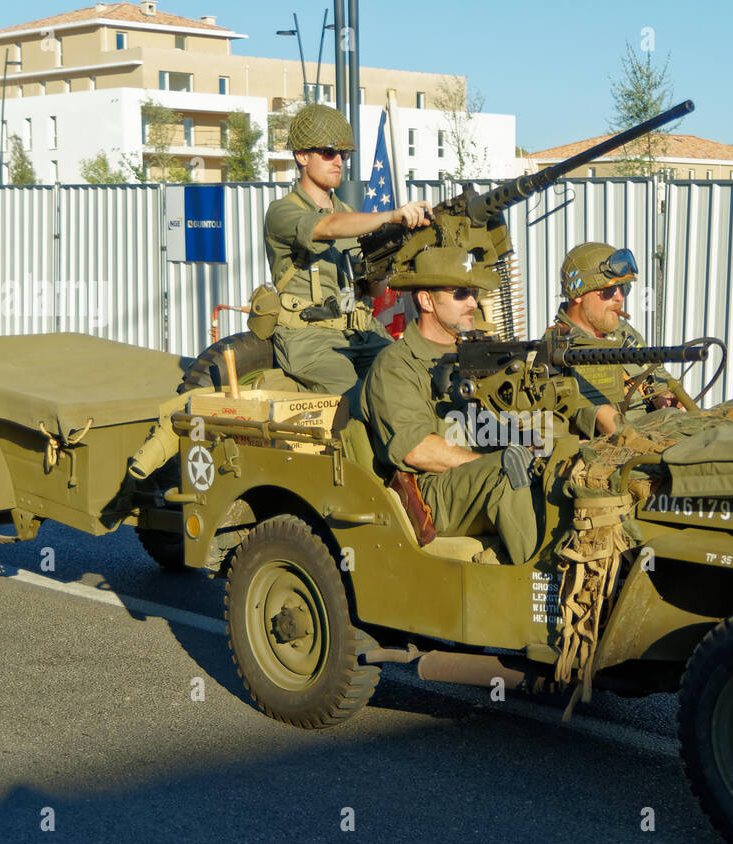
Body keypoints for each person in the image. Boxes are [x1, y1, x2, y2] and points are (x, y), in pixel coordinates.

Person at [360, 246, 541, 564]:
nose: (473, 302)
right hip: (432, 490)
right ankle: (542, 586)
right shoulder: (396, 365)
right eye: (460, 293)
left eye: (473, 292)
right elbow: (416, 450)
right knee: (507, 470)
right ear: (426, 300)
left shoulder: (479, 355)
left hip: (477, 473)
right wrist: (488, 461)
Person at [258, 103, 433, 399]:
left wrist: (383, 267)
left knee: (417, 381)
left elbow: (374, 292)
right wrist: (390, 216)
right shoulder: (282, 212)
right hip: (309, 337)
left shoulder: (350, 214)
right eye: (328, 153)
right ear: (302, 156)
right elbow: (326, 227)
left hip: (360, 332)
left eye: (345, 154)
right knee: (353, 398)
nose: (338, 161)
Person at [546, 242, 680, 438]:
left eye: (623, 288)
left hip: (660, 429)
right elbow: (607, 421)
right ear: (578, 294)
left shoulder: (621, 331)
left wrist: (665, 396)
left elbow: (659, 376)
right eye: (609, 290)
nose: (619, 297)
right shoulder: (559, 350)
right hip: (622, 450)